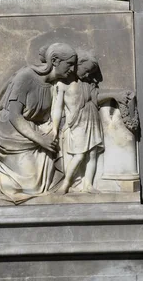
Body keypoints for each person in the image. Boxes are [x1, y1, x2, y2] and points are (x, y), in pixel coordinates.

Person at [0, 42, 77, 203]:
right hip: (9, 129)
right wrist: (41, 139)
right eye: (69, 64)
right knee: (30, 186)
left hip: (30, 129)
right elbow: (14, 115)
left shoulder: (56, 86)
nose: (72, 69)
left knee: (42, 180)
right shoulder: (26, 77)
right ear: (55, 61)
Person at [51, 51, 104, 194]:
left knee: (92, 154)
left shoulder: (89, 84)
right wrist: (55, 128)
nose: (87, 75)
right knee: (79, 155)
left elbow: (96, 99)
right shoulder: (63, 84)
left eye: (89, 73)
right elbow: (57, 107)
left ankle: (88, 185)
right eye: (86, 71)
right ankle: (66, 184)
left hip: (92, 119)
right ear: (77, 64)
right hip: (76, 123)